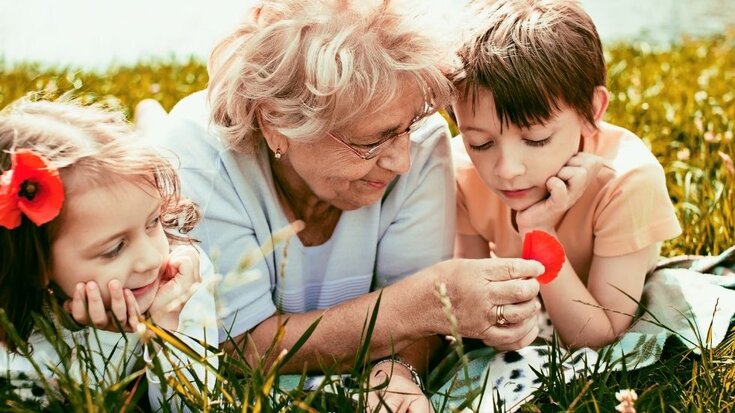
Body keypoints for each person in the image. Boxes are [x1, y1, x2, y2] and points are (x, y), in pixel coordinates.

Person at [149, 0, 544, 410]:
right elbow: (235, 347)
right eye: (371, 141)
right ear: (276, 125)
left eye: (407, 126)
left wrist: (395, 372)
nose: (402, 160)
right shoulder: (201, 161)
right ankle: (149, 119)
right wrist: (428, 299)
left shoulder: (422, 142)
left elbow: (422, 330)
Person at [450, 0, 682, 349]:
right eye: (481, 143)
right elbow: (472, 308)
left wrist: (539, 231)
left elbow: (597, 335)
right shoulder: (460, 171)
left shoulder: (628, 182)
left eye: (536, 139)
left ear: (592, 111)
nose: (507, 170)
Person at [0, 99, 218, 410]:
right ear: (36, 265)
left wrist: (167, 327)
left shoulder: (178, 278)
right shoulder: (16, 341)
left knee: (156, 135)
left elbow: (194, 407)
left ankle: (151, 117)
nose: (151, 259)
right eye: (114, 249)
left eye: (153, 221)